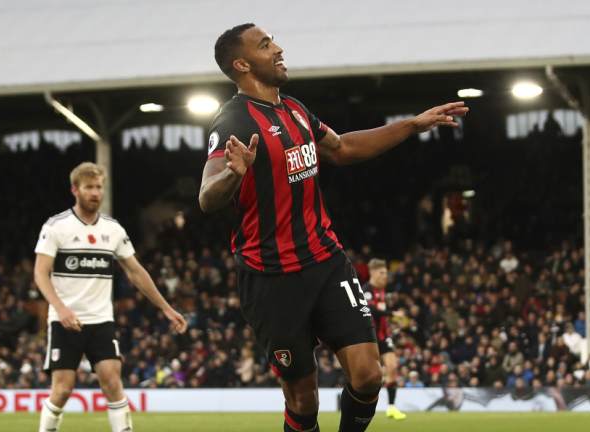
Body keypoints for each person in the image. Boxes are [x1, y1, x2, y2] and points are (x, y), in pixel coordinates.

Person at [199, 23, 468, 432]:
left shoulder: (294, 109)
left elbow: (343, 148)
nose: (278, 49)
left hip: (326, 261)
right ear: (241, 63)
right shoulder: (233, 119)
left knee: (369, 375)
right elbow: (206, 196)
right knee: (304, 400)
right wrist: (233, 175)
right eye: (266, 45)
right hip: (272, 276)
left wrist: (412, 126)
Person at [35, 162, 187, 432]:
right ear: (75, 190)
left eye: (99, 187)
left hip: (101, 320)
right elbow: (40, 273)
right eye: (89, 187)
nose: (95, 193)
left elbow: (136, 272)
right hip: (64, 320)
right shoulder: (56, 226)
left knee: (112, 381)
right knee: (62, 390)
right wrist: (61, 309)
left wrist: (165, 308)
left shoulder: (113, 230)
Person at [362, 259, 406, 420]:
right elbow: (371, 310)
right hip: (368, 337)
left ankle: (391, 408)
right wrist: (392, 314)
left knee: (393, 367)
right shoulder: (366, 290)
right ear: (372, 273)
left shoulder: (382, 291)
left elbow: (380, 312)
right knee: (368, 376)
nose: (385, 276)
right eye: (382, 273)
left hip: (383, 335)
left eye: (386, 273)